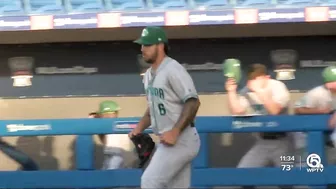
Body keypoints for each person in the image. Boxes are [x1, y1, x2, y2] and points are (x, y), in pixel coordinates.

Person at [129, 26, 201, 189]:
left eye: (147, 45)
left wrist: (175, 131)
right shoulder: (148, 75)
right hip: (169, 140)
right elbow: (152, 107)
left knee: (149, 181)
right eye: (142, 45)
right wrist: (139, 127)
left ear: (160, 46)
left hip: (181, 138)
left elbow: (193, 102)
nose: (143, 49)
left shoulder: (173, 69)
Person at [225, 63, 291, 188]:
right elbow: (237, 111)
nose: (254, 81)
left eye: (258, 77)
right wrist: (231, 92)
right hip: (262, 142)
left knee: (287, 180)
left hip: (283, 142)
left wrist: (261, 92)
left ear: (266, 77)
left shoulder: (278, 86)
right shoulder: (247, 90)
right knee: (244, 174)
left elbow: (275, 110)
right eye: (252, 78)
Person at [294, 66, 336, 167]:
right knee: (307, 165)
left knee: (328, 163)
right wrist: (319, 111)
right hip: (308, 134)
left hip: (329, 135)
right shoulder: (316, 93)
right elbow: (298, 109)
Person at [96, 100, 139, 170]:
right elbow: (104, 141)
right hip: (109, 155)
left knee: (111, 172)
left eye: (115, 112)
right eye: (114, 112)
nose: (116, 114)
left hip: (119, 156)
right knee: (104, 173)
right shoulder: (105, 126)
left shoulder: (119, 124)